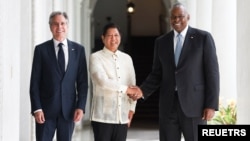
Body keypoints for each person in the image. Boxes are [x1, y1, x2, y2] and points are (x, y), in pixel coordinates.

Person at [128, 2, 220, 141]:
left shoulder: (203, 38)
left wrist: (211, 105)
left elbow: (212, 73)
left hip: (195, 106)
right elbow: (157, 73)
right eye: (173, 17)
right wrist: (142, 90)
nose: (176, 20)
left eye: (180, 16)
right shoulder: (161, 42)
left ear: (188, 17)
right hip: (168, 105)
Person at [29, 11, 88, 141]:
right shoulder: (41, 50)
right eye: (55, 24)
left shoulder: (78, 50)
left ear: (67, 26)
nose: (59, 27)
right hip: (45, 112)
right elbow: (34, 83)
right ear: (50, 27)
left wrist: (81, 106)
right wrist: (37, 108)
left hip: (68, 111)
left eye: (62, 23)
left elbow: (83, 82)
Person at [89, 22, 137, 141]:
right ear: (103, 38)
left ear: (120, 37)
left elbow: (132, 84)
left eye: (116, 35)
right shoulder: (95, 57)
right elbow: (102, 81)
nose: (113, 39)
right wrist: (126, 89)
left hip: (122, 116)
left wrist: (132, 108)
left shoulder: (127, 58)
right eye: (110, 36)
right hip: (102, 117)